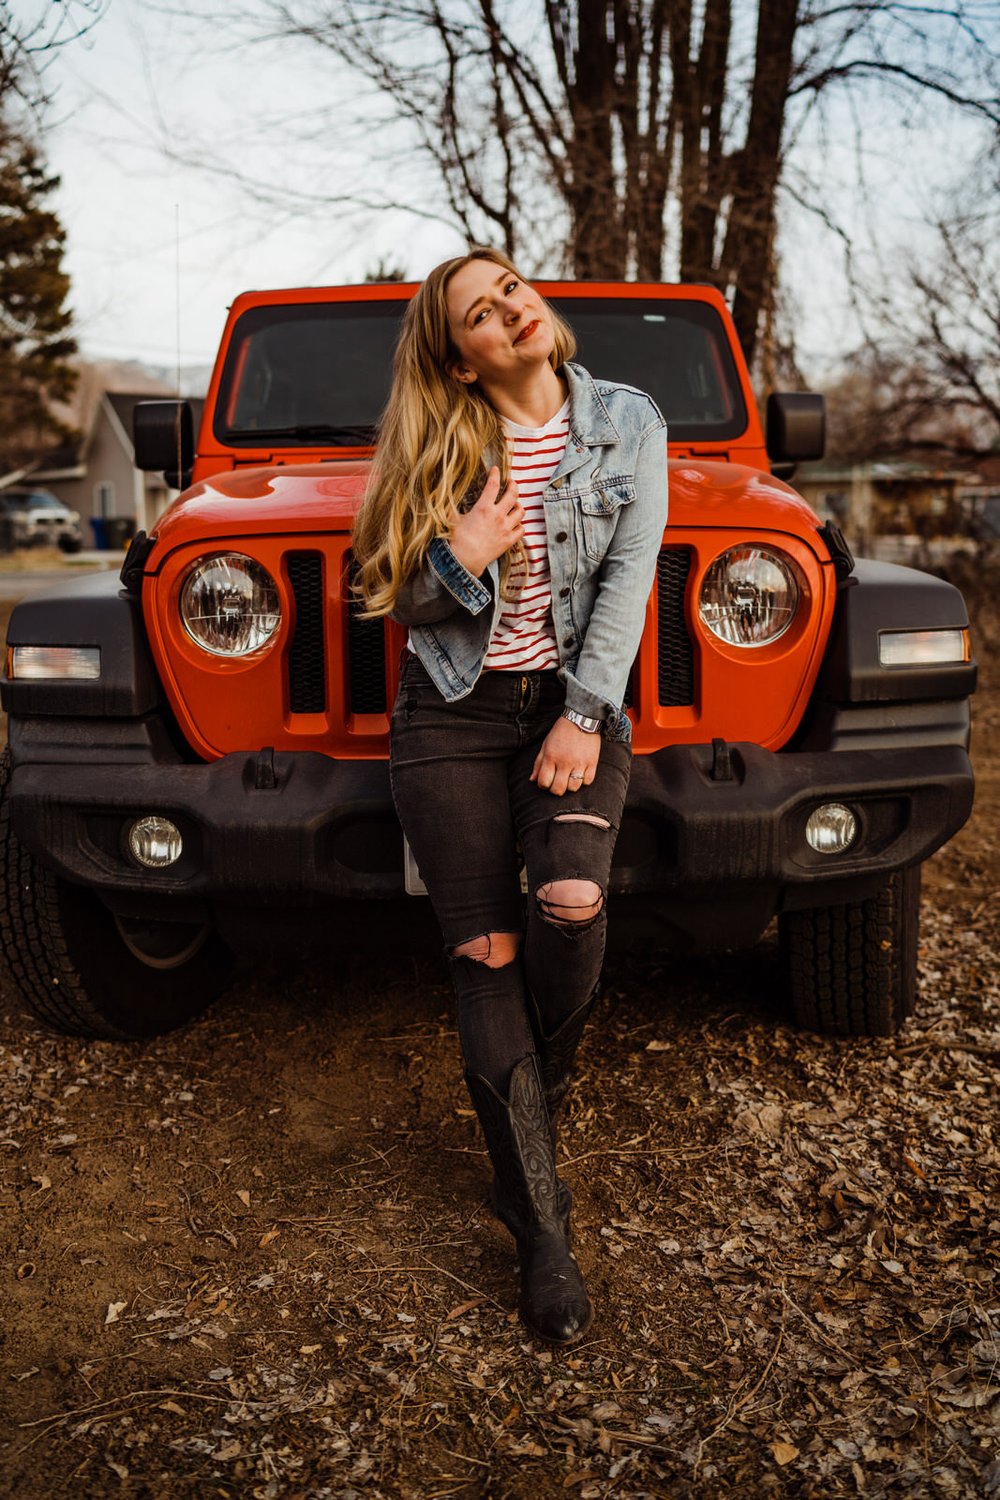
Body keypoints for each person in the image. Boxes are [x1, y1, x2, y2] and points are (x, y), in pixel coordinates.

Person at [353, 248, 668, 1343]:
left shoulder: (629, 420)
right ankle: (540, 1225)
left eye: (512, 290)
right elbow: (384, 595)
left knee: (572, 900)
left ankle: (528, 1109)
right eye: (481, 314)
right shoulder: (433, 442)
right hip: (447, 714)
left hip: (565, 707)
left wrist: (583, 716)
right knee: (483, 949)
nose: (510, 311)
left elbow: (626, 582)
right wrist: (461, 556)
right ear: (460, 356)